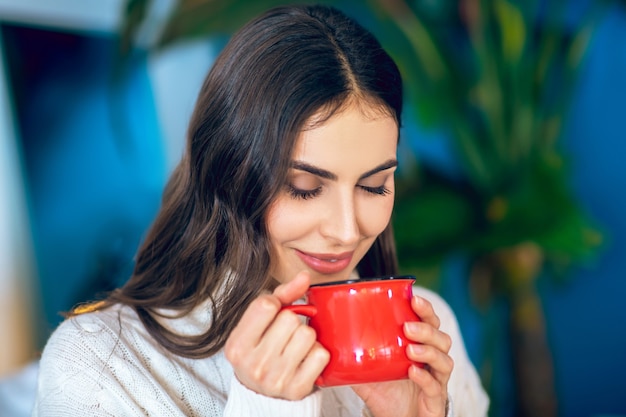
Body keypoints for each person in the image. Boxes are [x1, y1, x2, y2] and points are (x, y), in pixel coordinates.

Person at [32, 4, 489, 416]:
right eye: (305, 188)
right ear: (226, 172)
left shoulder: (428, 332)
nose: (348, 232)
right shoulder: (97, 365)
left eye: (373, 186)